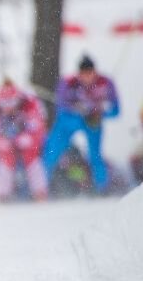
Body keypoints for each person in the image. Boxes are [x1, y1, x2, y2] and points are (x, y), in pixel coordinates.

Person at [41, 55, 120, 194]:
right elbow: (61, 110)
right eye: (84, 73)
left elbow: (115, 110)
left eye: (90, 73)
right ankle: (41, 187)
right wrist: (79, 115)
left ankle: (102, 188)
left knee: (95, 155)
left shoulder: (105, 83)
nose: (87, 77)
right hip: (69, 123)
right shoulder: (68, 83)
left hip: (92, 123)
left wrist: (100, 113)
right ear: (79, 73)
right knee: (52, 151)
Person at [0, 79, 48, 201]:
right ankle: (3, 195)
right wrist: (2, 142)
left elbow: (39, 128)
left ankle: (40, 193)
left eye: (10, 102)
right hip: (9, 144)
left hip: (29, 143)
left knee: (33, 161)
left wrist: (29, 139)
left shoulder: (29, 106)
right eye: (4, 103)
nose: (8, 107)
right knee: (5, 161)